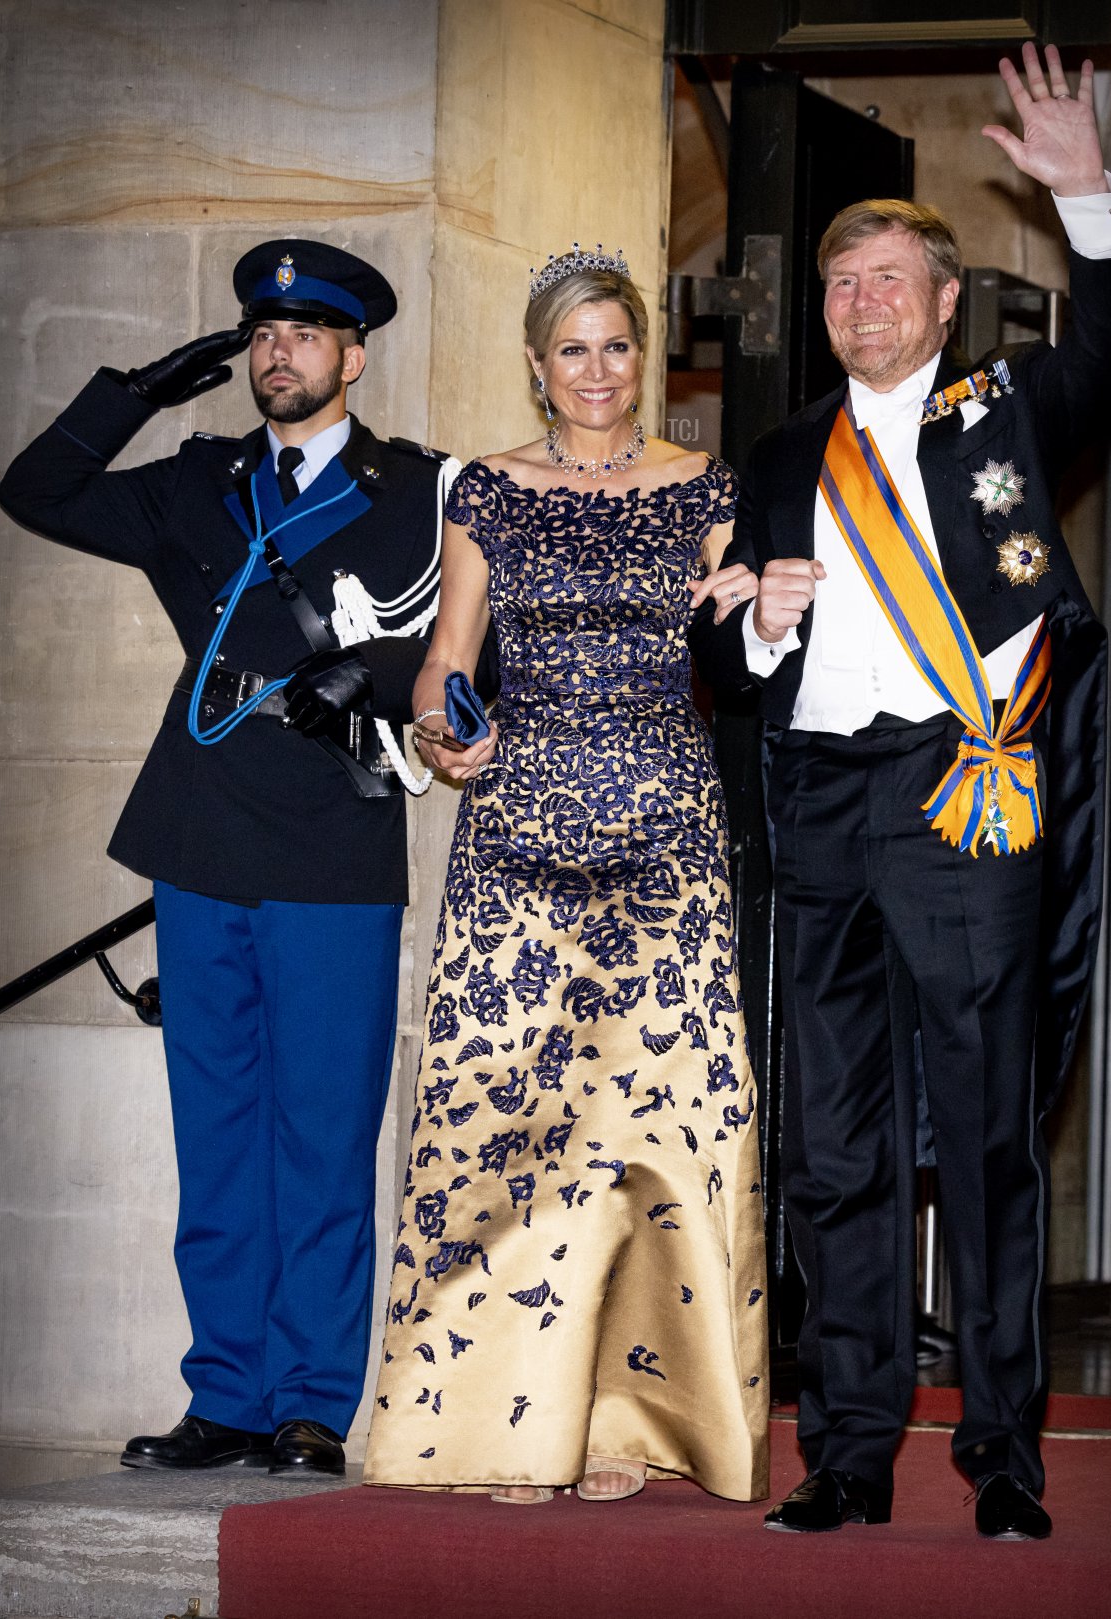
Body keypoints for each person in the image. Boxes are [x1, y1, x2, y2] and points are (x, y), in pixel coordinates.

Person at [689, 45, 1111, 1539]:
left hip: (965, 794)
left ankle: (1004, 1451)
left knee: (988, 1127)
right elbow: (729, 656)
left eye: (892, 279)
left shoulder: (1006, 410)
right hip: (824, 798)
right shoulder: (778, 453)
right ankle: (848, 1448)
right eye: (843, 283)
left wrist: (1088, 197)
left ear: (947, 303)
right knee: (836, 1144)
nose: (863, 301)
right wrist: (760, 626)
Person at [0, 239, 483, 1478]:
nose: (279, 352)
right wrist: (136, 392)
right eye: (264, 334)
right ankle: (224, 1391)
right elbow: (35, 490)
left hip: (331, 843)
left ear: (352, 357)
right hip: (199, 831)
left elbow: (483, 639)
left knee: (322, 1137)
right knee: (215, 1135)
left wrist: (379, 679)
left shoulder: (419, 489)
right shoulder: (198, 482)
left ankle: (310, 1399)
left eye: (306, 334)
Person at [361, 245, 770, 1504]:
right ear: (538, 366)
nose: (598, 371)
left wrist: (755, 610)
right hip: (519, 841)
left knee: (656, 1131)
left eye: (617, 345)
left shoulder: (709, 487)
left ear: (645, 357)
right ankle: (506, 1418)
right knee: (511, 1120)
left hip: (666, 838)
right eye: (573, 349)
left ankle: (625, 1421)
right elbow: (447, 656)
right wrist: (444, 726)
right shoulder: (488, 488)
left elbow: (745, 656)